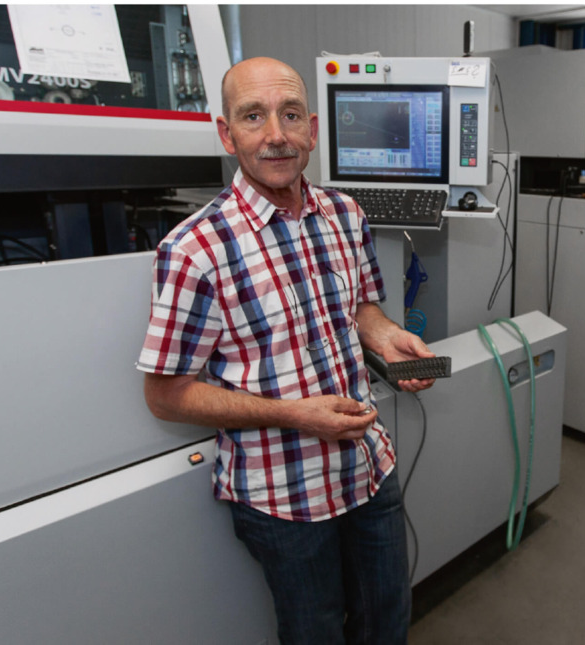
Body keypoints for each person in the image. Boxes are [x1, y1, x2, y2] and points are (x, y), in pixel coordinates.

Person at [136, 56, 435, 644]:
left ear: (313, 129)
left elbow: (361, 307)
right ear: (227, 134)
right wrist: (291, 414)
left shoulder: (344, 214)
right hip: (282, 495)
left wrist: (386, 336)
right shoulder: (195, 249)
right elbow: (165, 396)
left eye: (290, 114)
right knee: (314, 633)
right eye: (253, 116)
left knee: (388, 622)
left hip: (369, 468)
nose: (276, 134)